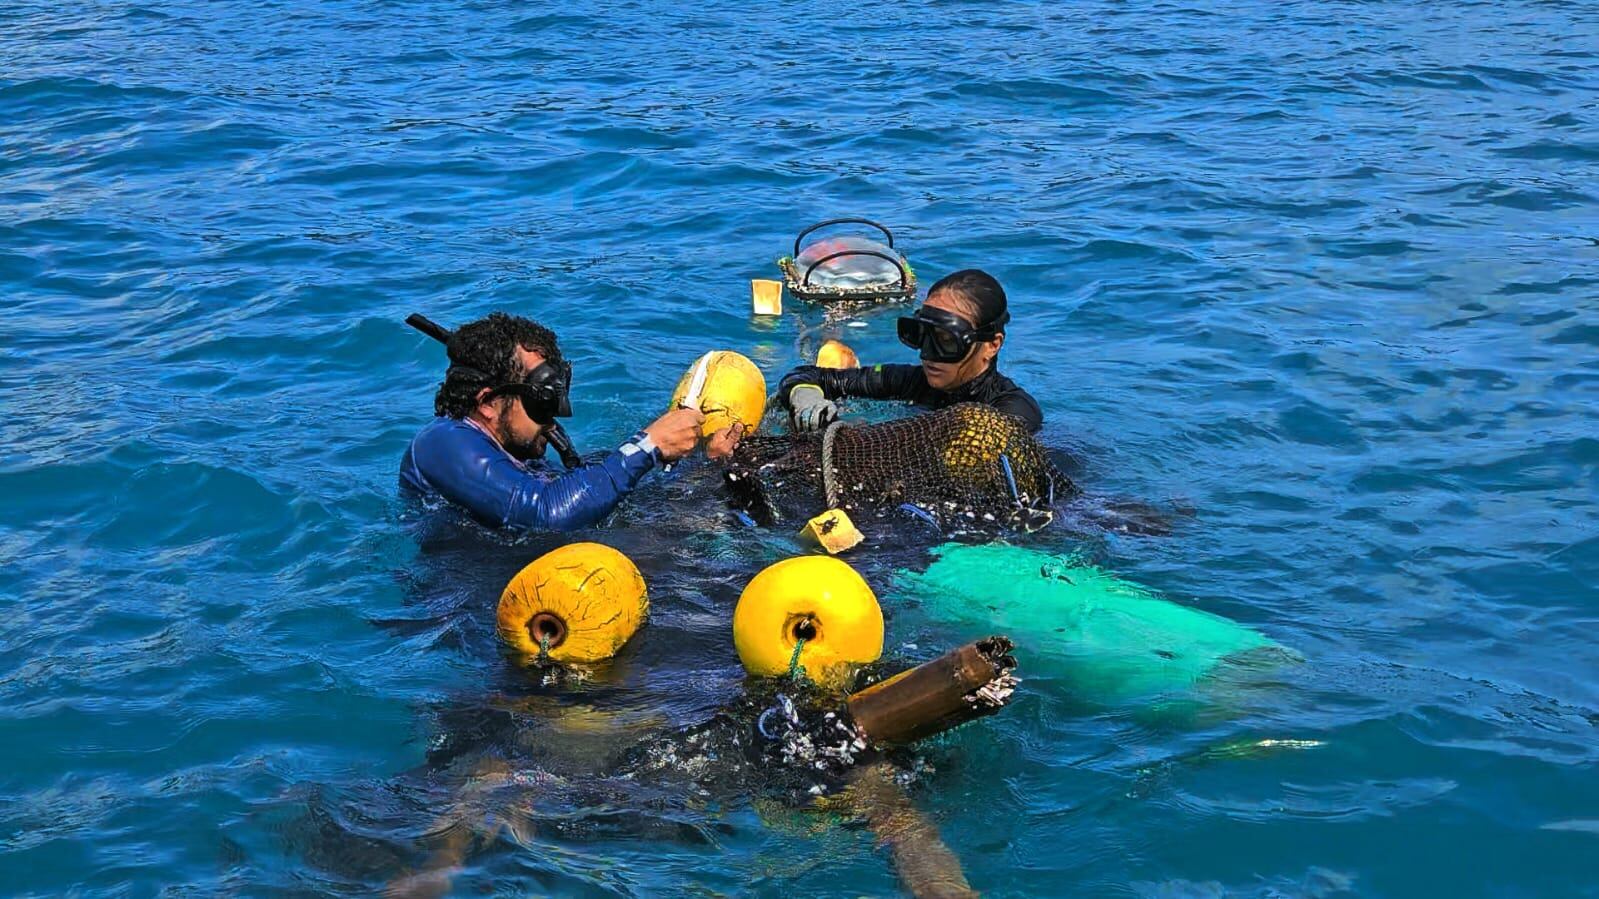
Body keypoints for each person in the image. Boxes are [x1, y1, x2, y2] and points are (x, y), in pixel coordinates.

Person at [400, 312, 738, 531]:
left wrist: (697, 463)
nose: (557, 412)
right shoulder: (441, 442)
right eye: (542, 397)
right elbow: (547, 513)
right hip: (482, 610)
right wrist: (648, 445)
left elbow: (592, 488)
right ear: (488, 402)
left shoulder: (514, 452)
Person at [777, 269, 1043, 434]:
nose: (926, 354)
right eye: (920, 336)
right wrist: (806, 397)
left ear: (992, 345)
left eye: (946, 342)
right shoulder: (910, 382)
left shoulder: (1015, 410)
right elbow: (811, 376)